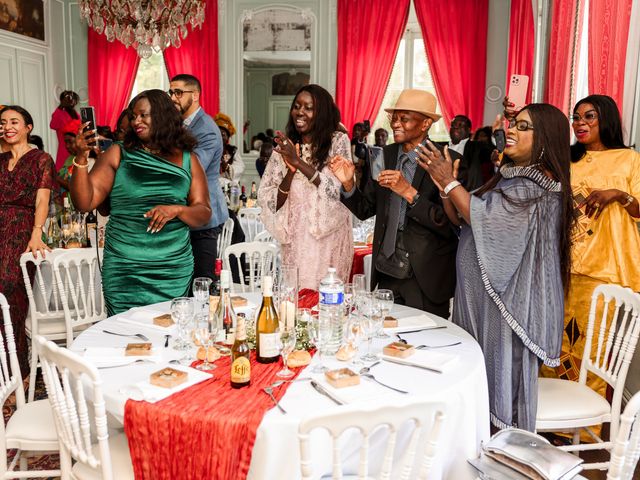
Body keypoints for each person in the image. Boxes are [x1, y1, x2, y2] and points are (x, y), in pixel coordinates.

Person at [419, 103, 574, 431]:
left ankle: (502, 455)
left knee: (499, 390)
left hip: (506, 311)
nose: (511, 131)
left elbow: (484, 218)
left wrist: (450, 184)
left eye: (523, 126)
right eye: (513, 124)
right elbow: (464, 218)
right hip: (483, 305)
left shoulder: (539, 189)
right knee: (476, 383)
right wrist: (446, 186)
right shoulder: (509, 180)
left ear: (546, 138)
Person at [70, 89, 211, 316]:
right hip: (125, 264)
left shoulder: (188, 159)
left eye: (143, 115)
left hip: (172, 266)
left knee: (170, 330)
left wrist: (177, 210)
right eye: (133, 116)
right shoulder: (118, 153)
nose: (136, 121)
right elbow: (84, 203)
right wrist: (81, 158)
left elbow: (203, 212)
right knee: (125, 333)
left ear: (163, 116)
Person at [540, 95, 640, 397]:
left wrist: (618, 195)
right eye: (576, 117)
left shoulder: (629, 159)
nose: (580, 123)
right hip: (564, 263)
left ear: (605, 119)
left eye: (589, 117)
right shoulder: (565, 160)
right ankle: (549, 410)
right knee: (553, 340)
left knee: (593, 345)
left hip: (605, 266)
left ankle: (582, 425)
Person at [331, 89, 460, 316]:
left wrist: (409, 192)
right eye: (394, 117)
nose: (395, 124)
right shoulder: (383, 155)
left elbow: (452, 225)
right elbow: (365, 209)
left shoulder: (447, 160)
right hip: (386, 271)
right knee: (385, 342)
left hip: (425, 277)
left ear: (425, 123)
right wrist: (349, 184)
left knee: (425, 346)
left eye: (404, 118)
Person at [258, 84, 353, 288]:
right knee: (297, 302)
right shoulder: (284, 148)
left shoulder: (338, 141)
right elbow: (272, 202)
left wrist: (299, 162)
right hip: (295, 241)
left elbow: (337, 192)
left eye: (308, 107)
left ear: (322, 112)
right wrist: (291, 171)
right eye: (297, 106)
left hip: (329, 239)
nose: (300, 112)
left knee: (326, 304)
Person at [0, 105, 56, 374]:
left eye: (14, 121)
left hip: (22, 230)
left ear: (28, 127)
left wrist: (37, 232)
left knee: (11, 293)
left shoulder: (41, 159)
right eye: (3, 122)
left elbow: (42, 199)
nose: (8, 126)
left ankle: (17, 367)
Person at [169, 74, 229, 279]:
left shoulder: (207, 130)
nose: (173, 98)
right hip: (185, 212)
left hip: (205, 215)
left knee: (202, 280)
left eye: (178, 92)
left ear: (194, 95)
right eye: (171, 92)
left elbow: (193, 169)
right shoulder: (178, 124)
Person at [445, 115, 493, 191]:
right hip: (444, 193)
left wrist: (494, 135)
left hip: (469, 194)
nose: (456, 127)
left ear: (468, 129)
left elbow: (492, 152)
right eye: (453, 125)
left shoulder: (478, 146)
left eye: (460, 125)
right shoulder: (442, 147)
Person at [50, 90, 79, 169]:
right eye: (68, 98)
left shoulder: (76, 114)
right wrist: (61, 106)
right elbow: (52, 125)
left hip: (77, 148)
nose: (71, 100)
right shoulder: (59, 113)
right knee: (64, 173)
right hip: (66, 148)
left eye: (73, 98)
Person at [215, 113, 245, 185]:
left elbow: (240, 167)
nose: (220, 137)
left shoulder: (232, 150)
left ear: (228, 137)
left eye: (223, 134)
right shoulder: (209, 148)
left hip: (228, 186)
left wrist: (228, 167)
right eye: (218, 133)